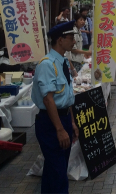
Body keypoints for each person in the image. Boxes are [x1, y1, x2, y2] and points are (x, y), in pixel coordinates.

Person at [32, 21, 79, 194]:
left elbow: (67, 96)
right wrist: (60, 129)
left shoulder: (63, 62)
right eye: (71, 38)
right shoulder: (47, 64)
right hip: (51, 123)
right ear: (60, 40)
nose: (74, 41)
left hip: (64, 118)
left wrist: (72, 122)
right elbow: (48, 100)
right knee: (58, 173)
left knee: (54, 171)